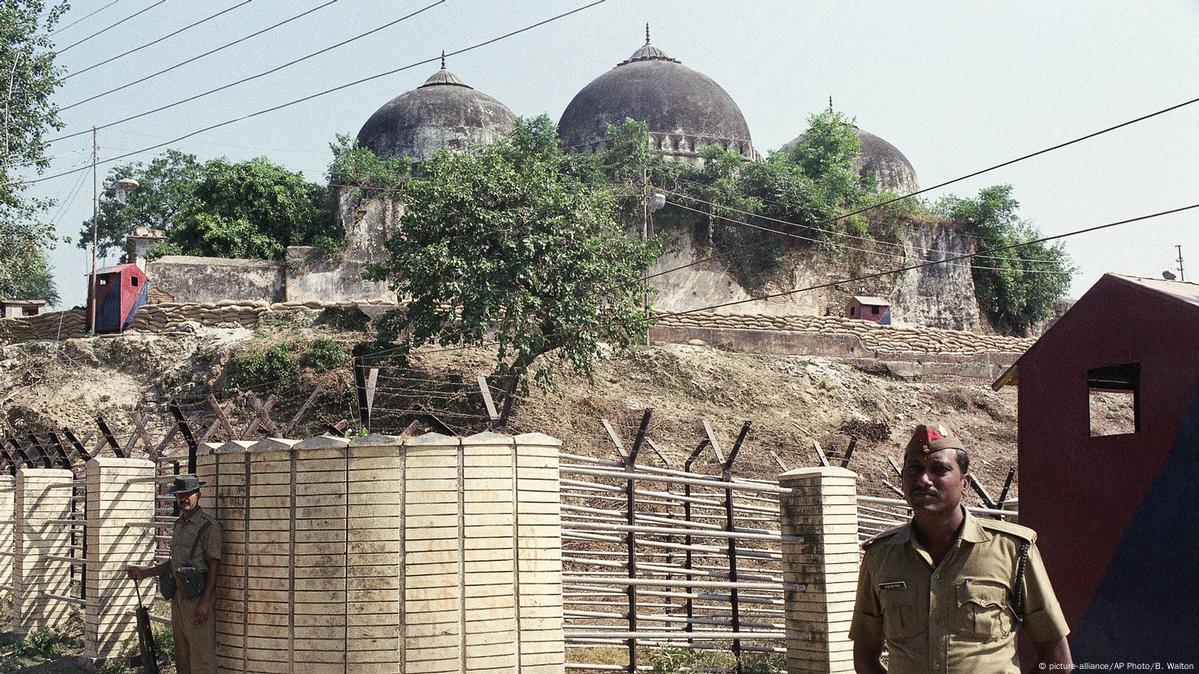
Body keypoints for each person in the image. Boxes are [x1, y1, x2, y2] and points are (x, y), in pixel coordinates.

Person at [850, 423, 1072, 673]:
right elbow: (865, 659)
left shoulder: (1011, 550)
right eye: (914, 469)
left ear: (965, 483)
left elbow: (1057, 658)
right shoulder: (880, 555)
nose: (924, 479)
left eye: (939, 469)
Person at [127, 474, 222, 674]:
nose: (183, 498)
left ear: (198, 495)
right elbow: (175, 563)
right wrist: (145, 572)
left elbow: (214, 566)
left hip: (198, 597)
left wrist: (205, 603)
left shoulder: (208, 526)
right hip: (178, 596)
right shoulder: (179, 525)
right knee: (182, 654)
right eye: (180, 494)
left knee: (201, 656)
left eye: (188, 493)